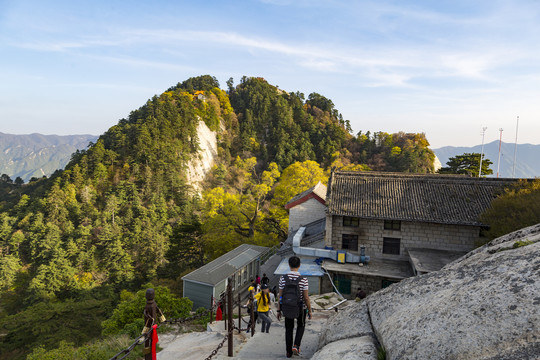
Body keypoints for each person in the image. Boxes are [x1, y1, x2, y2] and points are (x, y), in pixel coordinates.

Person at [277, 256, 312, 358]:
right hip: (300, 307)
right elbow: (306, 297)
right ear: (299, 265)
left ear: (289, 265)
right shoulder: (303, 279)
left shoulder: (283, 278)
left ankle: (288, 352)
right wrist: (309, 310)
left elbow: (280, 296)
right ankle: (296, 345)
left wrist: (279, 309)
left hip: (287, 307)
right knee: (301, 325)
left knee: (289, 328)